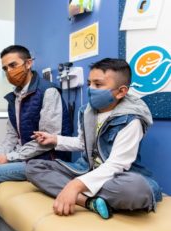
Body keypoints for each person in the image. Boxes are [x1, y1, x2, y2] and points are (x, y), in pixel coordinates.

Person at [27, 58, 162, 219]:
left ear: (121, 91)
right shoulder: (86, 111)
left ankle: (82, 193)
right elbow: (83, 143)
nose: (90, 89)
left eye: (98, 85)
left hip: (117, 177)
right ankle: (89, 202)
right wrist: (55, 140)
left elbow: (117, 164)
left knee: (136, 190)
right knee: (33, 167)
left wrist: (74, 185)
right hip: (87, 170)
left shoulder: (132, 119)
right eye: (89, 83)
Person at [0, 45, 71, 231]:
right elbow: (12, 135)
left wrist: (9, 158)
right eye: (5, 68)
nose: (9, 71)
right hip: (22, 156)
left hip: (45, 160)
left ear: (28, 63)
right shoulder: (14, 97)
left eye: (13, 65)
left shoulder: (48, 92)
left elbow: (47, 141)